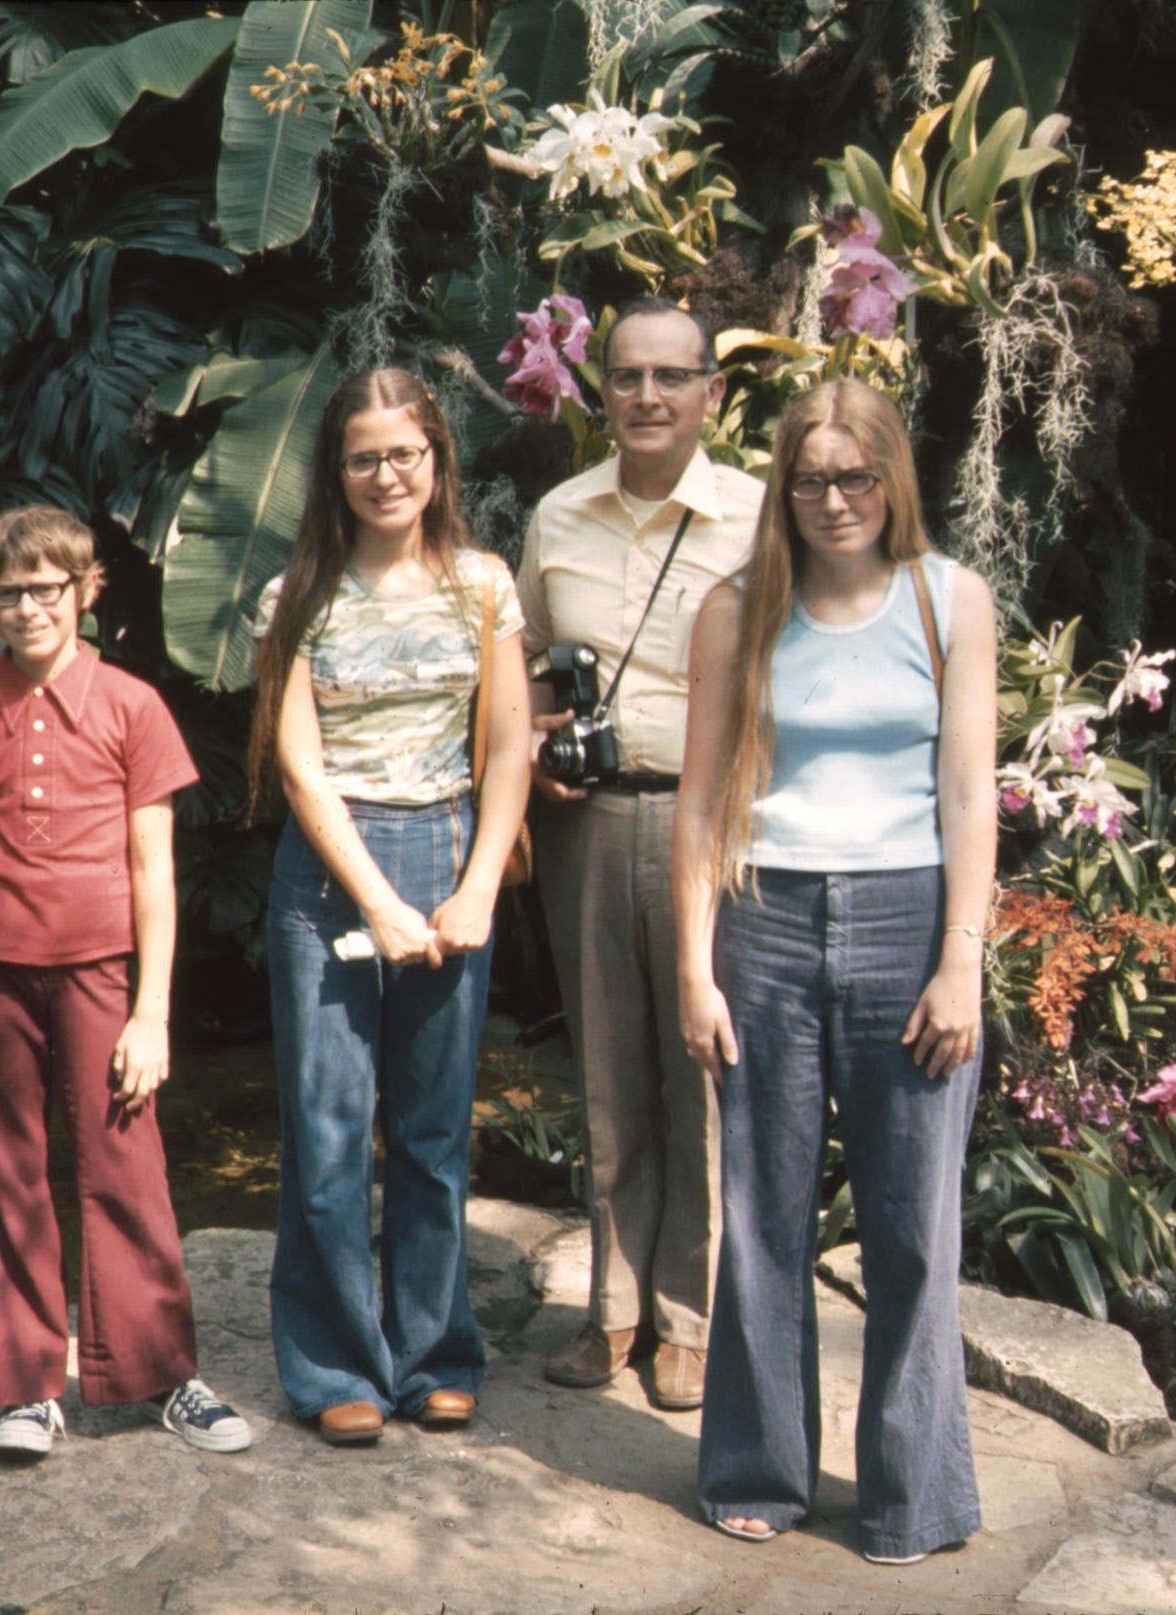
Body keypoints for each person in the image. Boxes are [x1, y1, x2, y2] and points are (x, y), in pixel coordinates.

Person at [672, 378, 996, 1563]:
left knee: (912, 1225)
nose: (833, 499)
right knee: (762, 1212)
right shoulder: (737, 609)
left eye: (856, 475)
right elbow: (701, 802)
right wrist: (692, 970)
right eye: (810, 478)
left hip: (909, 921)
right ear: (783, 488)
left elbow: (968, 792)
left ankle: (914, 1493)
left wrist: (961, 960)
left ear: (893, 479)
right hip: (762, 918)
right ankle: (760, 1464)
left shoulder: (946, 599)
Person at [0, 505, 254, 1460]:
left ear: (85, 590)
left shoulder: (132, 705)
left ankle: (161, 1377)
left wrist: (153, 1012)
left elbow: (155, 866)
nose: (27, 609)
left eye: (46, 589)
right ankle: (25, 1388)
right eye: (7, 594)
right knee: (7, 1166)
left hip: (101, 970)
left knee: (123, 1164)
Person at [248, 366, 533, 1444]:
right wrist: (375, 895)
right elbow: (299, 766)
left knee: (428, 1129)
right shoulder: (298, 598)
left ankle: (435, 1353)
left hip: (450, 850)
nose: (385, 474)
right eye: (363, 456)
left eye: (403, 453)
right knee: (326, 1127)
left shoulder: (482, 585)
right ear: (336, 470)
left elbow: (508, 744)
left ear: (436, 460)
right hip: (329, 872)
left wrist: (473, 889)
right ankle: (334, 1370)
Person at [517, 298, 764, 1409]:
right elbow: (521, 664)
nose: (649, 397)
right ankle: (611, 1308)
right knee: (608, 1069)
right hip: (587, 819)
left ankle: (690, 1317)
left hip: (714, 823)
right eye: (626, 377)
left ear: (712, 391)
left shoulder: (763, 519)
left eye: (673, 377)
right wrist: (531, 746)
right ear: (598, 390)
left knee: (702, 1070)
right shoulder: (559, 516)